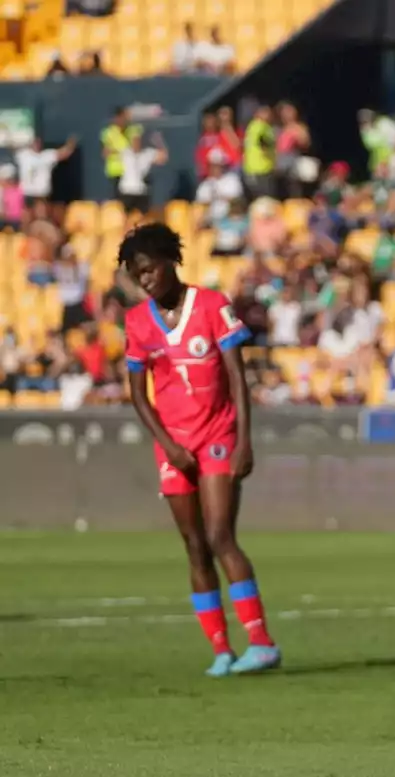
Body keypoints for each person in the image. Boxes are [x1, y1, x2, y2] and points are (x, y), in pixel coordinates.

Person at [120, 223, 281, 677]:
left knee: (219, 536)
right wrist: (168, 445)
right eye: (138, 275)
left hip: (218, 436)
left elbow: (237, 378)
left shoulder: (211, 305)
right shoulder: (136, 322)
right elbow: (137, 393)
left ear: (170, 262)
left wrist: (244, 441)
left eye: (150, 270)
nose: (146, 280)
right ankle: (221, 651)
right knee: (193, 547)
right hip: (174, 447)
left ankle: (262, 642)